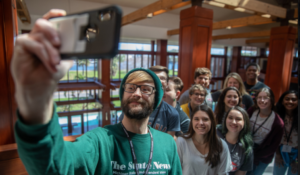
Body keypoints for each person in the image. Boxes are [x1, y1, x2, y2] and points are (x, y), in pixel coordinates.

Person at [12, 10, 182, 175]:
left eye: (145, 89)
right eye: (130, 88)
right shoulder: (100, 141)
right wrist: (35, 100)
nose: (137, 93)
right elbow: (55, 167)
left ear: (156, 99)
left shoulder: (167, 144)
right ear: (122, 95)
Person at [119, 65, 181, 138]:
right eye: (155, 77)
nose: (158, 80)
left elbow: (168, 141)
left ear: (167, 83)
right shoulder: (133, 107)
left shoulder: (172, 113)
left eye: (162, 78)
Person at [176, 105, 232, 175]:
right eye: (196, 119)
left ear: (212, 121)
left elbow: (223, 173)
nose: (200, 123)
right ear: (192, 121)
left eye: (205, 119)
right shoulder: (181, 142)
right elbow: (176, 171)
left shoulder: (221, 145)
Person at [246, 88, 284, 175]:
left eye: (266, 97)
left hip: (262, 157)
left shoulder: (278, 123)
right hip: (246, 150)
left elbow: (272, 147)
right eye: (259, 97)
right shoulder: (251, 111)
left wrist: (253, 156)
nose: (262, 100)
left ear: (272, 99)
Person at [216, 106, 254, 175]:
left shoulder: (246, 148)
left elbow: (241, 173)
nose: (233, 122)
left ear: (244, 122)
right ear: (225, 120)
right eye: (230, 118)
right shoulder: (214, 135)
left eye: (238, 119)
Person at [273, 90, 298, 175]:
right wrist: (278, 154)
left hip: (297, 153)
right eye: (287, 99)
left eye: (294, 99)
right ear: (282, 101)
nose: (290, 101)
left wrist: (298, 160)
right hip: (281, 151)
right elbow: (274, 136)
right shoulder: (276, 115)